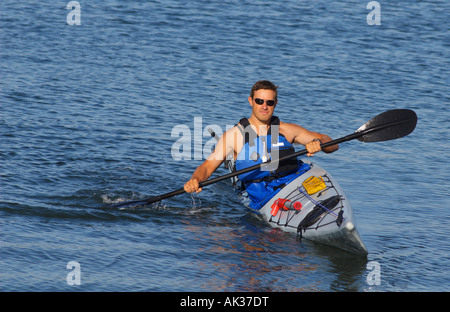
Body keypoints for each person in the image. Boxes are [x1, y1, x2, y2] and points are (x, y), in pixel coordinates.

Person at [184, 80, 339, 209]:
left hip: (294, 184)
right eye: (259, 101)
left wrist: (319, 143)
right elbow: (207, 167)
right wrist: (195, 179)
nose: (264, 106)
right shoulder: (233, 136)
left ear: (275, 103)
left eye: (269, 102)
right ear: (251, 101)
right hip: (261, 196)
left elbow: (332, 144)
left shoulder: (287, 130)